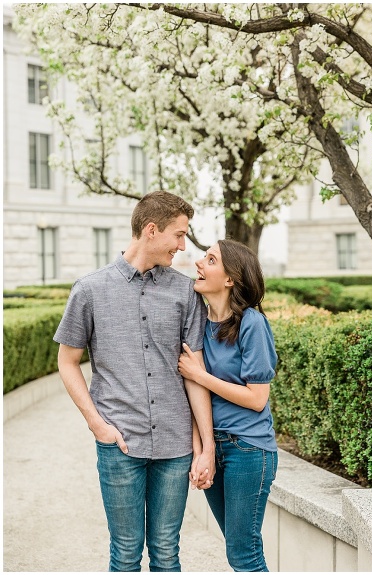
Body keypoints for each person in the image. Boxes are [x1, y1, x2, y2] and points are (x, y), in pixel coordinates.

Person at [54, 190, 215, 571]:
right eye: (178, 235)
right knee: (125, 553)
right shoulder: (90, 290)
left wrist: (205, 446)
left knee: (166, 552)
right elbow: (67, 361)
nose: (182, 245)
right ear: (151, 230)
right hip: (119, 443)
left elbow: (196, 375)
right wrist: (97, 425)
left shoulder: (185, 293)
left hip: (175, 447)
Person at [177, 239, 278, 571]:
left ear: (231, 278)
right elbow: (192, 395)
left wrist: (201, 374)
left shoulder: (252, 324)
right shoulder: (200, 325)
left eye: (210, 259)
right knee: (241, 547)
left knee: (243, 552)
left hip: (248, 449)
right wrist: (201, 451)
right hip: (214, 446)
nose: (198, 264)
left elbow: (257, 398)